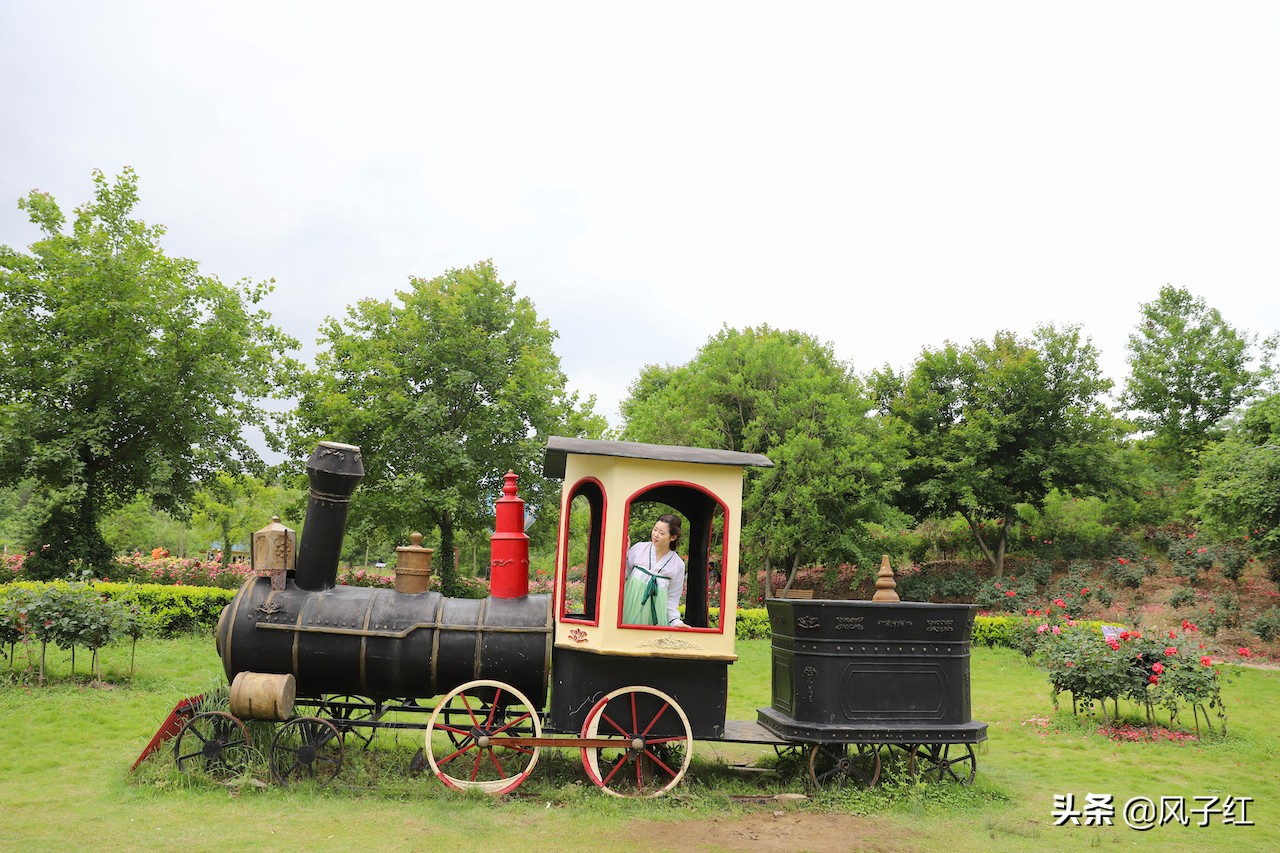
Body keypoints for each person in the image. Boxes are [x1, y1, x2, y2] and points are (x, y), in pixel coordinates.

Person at [621, 514, 687, 627]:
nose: (655, 535)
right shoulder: (639, 549)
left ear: (673, 537)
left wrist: (676, 621)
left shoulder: (677, 565)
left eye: (661, 533)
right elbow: (622, 574)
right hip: (629, 608)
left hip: (656, 616)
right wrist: (622, 552)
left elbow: (672, 598)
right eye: (655, 529)